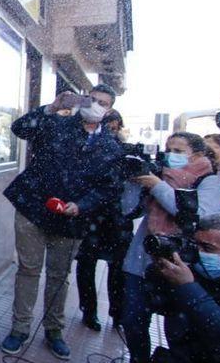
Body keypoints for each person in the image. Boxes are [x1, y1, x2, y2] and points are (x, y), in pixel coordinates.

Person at [0, 85, 124, 360]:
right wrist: (52, 107)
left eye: (102, 103)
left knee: (59, 276)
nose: (95, 105)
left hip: (71, 220)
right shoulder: (58, 124)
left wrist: (82, 205)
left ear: (110, 109)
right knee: (28, 270)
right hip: (32, 208)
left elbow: (110, 188)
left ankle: (54, 331)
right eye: (91, 99)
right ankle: (20, 329)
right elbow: (20, 128)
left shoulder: (111, 147)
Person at [121, 132, 220, 363]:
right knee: (132, 321)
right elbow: (127, 210)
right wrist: (133, 183)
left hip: (181, 268)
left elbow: (197, 216)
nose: (171, 155)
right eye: (169, 149)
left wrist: (158, 186)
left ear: (197, 155)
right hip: (140, 263)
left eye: (179, 151)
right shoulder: (160, 175)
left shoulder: (210, 182)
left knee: (178, 332)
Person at [75, 109, 134, 331]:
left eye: (114, 126)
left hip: (118, 219)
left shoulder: (126, 151)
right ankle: (88, 311)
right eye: (106, 125)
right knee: (87, 265)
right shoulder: (88, 147)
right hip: (91, 215)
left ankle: (117, 313)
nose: (110, 130)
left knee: (118, 268)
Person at [152, 212, 220, 362]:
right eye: (195, 245)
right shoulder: (194, 272)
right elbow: (160, 305)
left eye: (207, 248)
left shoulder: (189, 281)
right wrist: (161, 267)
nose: (199, 253)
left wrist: (188, 288)